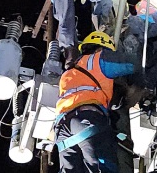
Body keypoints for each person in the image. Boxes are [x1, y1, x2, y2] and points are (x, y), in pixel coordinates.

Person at [54, 31, 140, 173]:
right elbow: (131, 64)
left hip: (63, 128)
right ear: (100, 49)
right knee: (105, 168)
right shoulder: (97, 60)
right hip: (87, 120)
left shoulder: (68, 74)